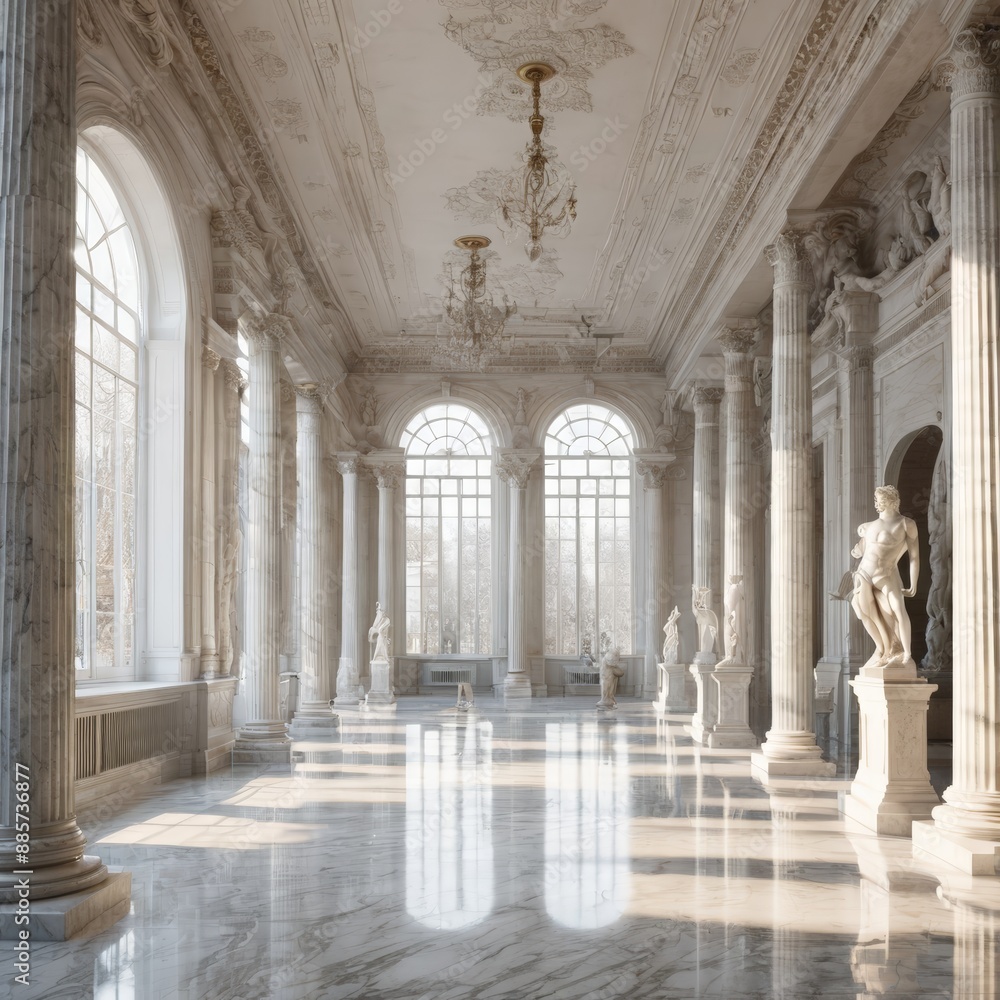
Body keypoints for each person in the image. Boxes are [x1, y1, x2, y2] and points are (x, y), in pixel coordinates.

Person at [850, 485, 919, 668]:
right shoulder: (868, 526)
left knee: (897, 609)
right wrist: (856, 550)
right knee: (861, 610)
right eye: (876, 500)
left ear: (891, 501)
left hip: (885, 574)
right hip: (864, 573)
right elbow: (862, 550)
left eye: (880, 500)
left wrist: (914, 583)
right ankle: (883, 649)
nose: (877, 504)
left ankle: (906, 653)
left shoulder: (906, 524)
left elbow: (914, 557)